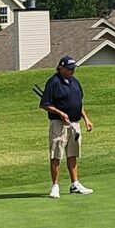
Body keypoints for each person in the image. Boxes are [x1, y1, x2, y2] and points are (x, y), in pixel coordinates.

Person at [38, 54, 92, 198]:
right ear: (61, 68)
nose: (72, 71)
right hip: (58, 124)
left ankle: (75, 184)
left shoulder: (75, 82)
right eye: (69, 68)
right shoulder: (54, 82)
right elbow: (44, 104)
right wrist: (60, 113)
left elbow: (78, 103)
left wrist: (86, 119)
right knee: (56, 155)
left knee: (72, 154)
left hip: (74, 123)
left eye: (73, 68)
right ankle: (55, 186)